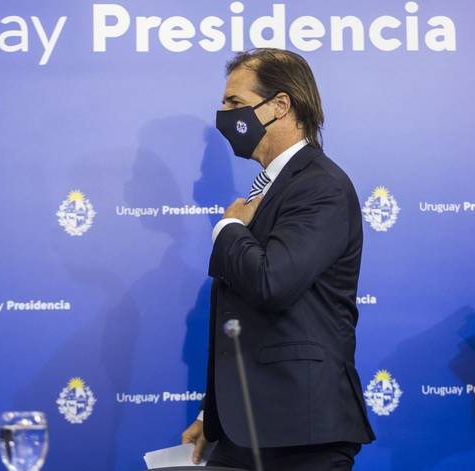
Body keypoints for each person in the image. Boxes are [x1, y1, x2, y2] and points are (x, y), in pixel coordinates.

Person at [181, 48, 376, 471]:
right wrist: (210, 415)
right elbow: (247, 322)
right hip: (245, 431)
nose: (224, 115)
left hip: (299, 436)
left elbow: (272, 283)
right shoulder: (270, 187)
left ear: (280, 105)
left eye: (234, 102)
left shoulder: (320, 185)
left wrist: (228, 229)